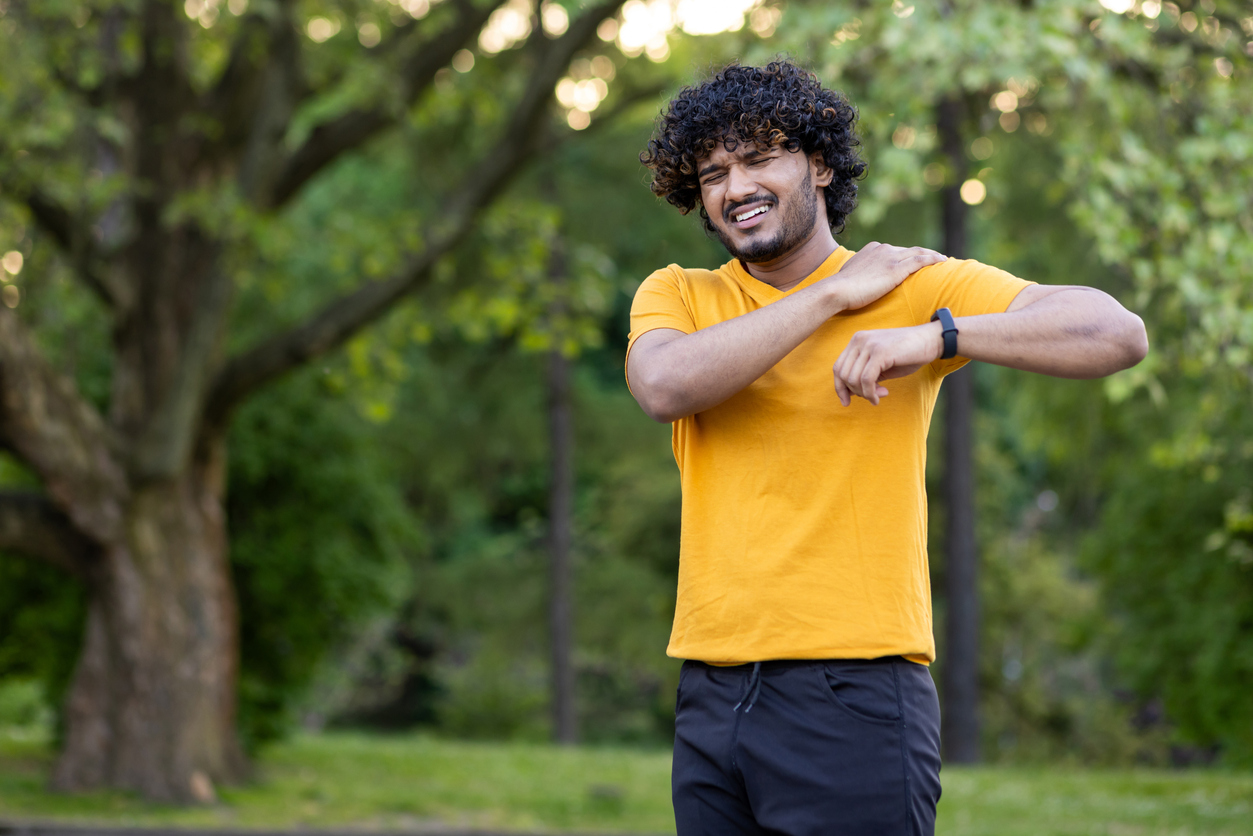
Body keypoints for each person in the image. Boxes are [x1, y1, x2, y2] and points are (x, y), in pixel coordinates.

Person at [626, 61, 1148, 836]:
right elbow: (662, 385)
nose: (735, 187)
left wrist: (935, 337)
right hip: (710, 690)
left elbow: (1113, 332)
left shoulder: (910, 287)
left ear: (818, 164)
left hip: (854, 691)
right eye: (712, 174)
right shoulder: (680, 295)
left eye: (758, 158)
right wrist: (832, 295)